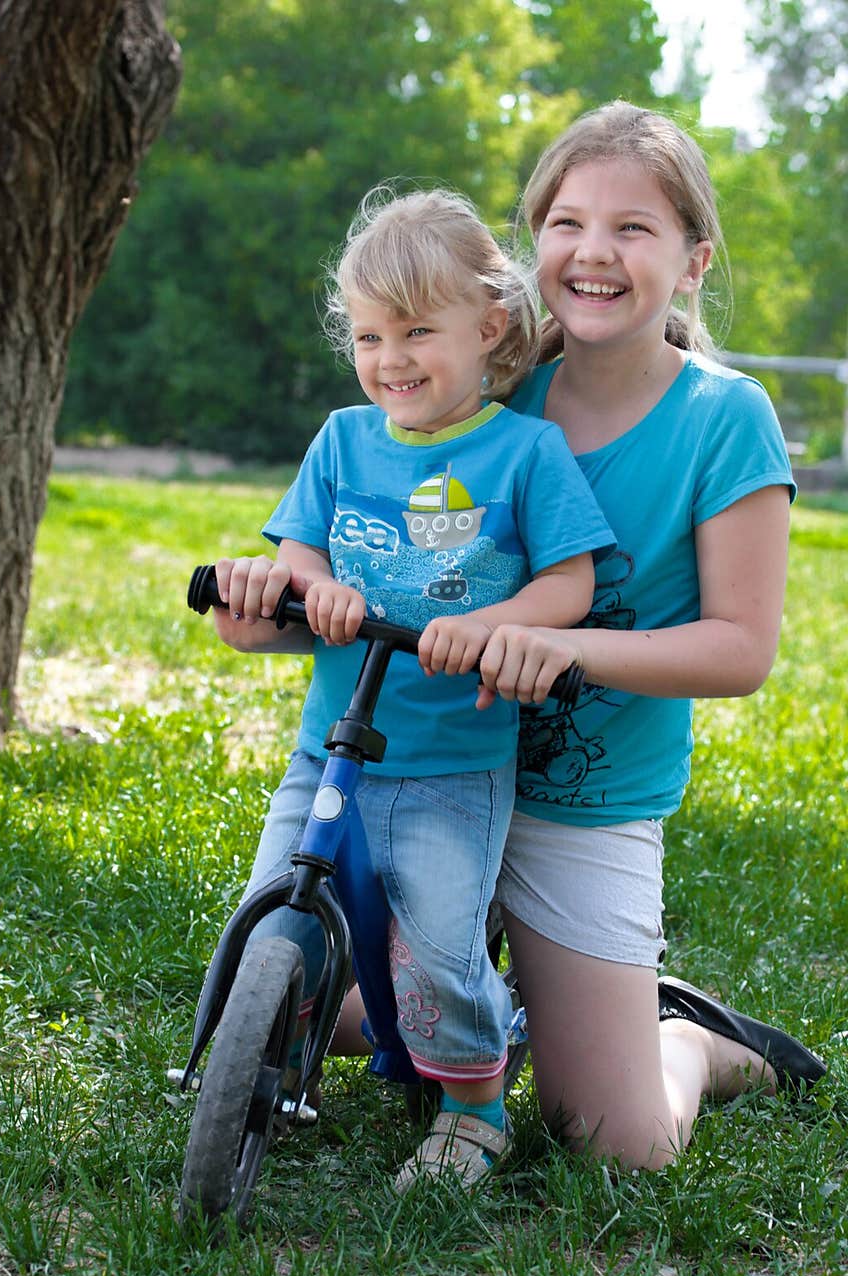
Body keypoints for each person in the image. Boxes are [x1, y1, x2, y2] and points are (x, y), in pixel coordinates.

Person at [209, 184, 616, 1191]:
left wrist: (485, 628)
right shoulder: (342, 443)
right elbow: (298, 559)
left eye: (418, 331)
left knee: (436, 942)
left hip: (451, 766)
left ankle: (475, 1105)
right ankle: (255, 1047)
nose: (391, 357)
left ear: (488, 327)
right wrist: (309, 589)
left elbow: (571, 581)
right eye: (369, 334)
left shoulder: (525, 451)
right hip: (331, 746)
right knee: (276, 911)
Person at [466, 99, 826, 1171]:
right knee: (317, 1012)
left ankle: (688, 1039)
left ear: (692, 258)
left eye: (633, 227)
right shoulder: (493, 396)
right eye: (567, 221)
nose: (592, 252)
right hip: (444, 776)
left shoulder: (724, 417)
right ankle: (528, 1006)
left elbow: (739, 649)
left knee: (619, 1146)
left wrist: (570, 648)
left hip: (587, 803)